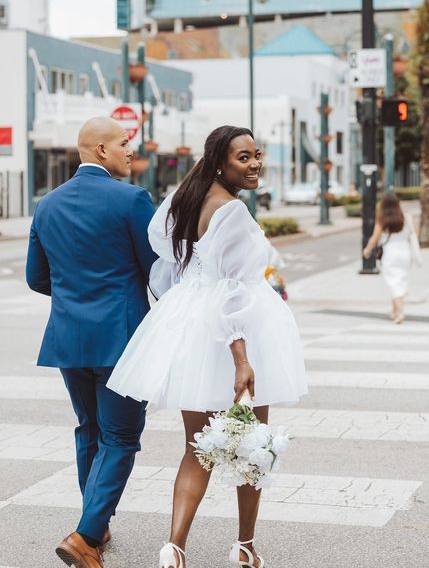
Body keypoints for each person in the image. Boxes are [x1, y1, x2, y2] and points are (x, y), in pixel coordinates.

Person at [107, 125, 307, 568]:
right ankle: (245, 546)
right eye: (243, 157)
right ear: (221, 162)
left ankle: (174, 547)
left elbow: (163, 248)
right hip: (238, 335)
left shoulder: (188, 198)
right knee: (254, 444)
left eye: (257, 154)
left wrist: (195, 288)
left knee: (198, 446)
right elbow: (233, 291)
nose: (254, 164)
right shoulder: (231, 210)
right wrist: (242, 359)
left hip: (194, 325)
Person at [26, 117, 158, 568]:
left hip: (68, 336)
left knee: (89, 428)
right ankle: (84, 537)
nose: (129, 151)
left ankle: (96, 528)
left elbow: (36, 278)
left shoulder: (46, 205)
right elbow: (156, 270)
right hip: (121, 339)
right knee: (120, 438)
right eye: (124, 144)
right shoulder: (132, 200)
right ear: (101, 150)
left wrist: (76, 295)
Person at [363, 192, 421, 324]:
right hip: (406, 252)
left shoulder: (382, 219)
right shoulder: (406, 217)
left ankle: (400, 313)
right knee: (400, 279)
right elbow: (416, 233)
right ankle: (394, 311)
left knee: (394, 282)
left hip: (390, 252)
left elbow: (374, 238)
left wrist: (367, 250)